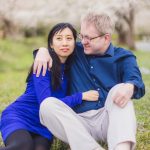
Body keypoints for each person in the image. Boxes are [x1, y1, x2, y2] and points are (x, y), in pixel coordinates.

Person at [34, 11, 145, 150]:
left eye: (89, 38)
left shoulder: (124, 56)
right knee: (47, 104)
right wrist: (42, 51)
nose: (83, 41)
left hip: (109, 121)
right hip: (77, 124)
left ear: (106, 38)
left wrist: (129, 86)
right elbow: (56, 47)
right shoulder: (76, 50)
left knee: (121, 88)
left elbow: (136, 81)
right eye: (82, 36)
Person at [0, 23, 100, 150]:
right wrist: (81, 96)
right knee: (23, 146)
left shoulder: (72, 68)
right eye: (59, 38)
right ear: (51, 44)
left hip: (44, 125)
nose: (64, 43)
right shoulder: (43, 65)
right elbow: (46, 104)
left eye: (69, 38)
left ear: (75, 43)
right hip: (21, 116)